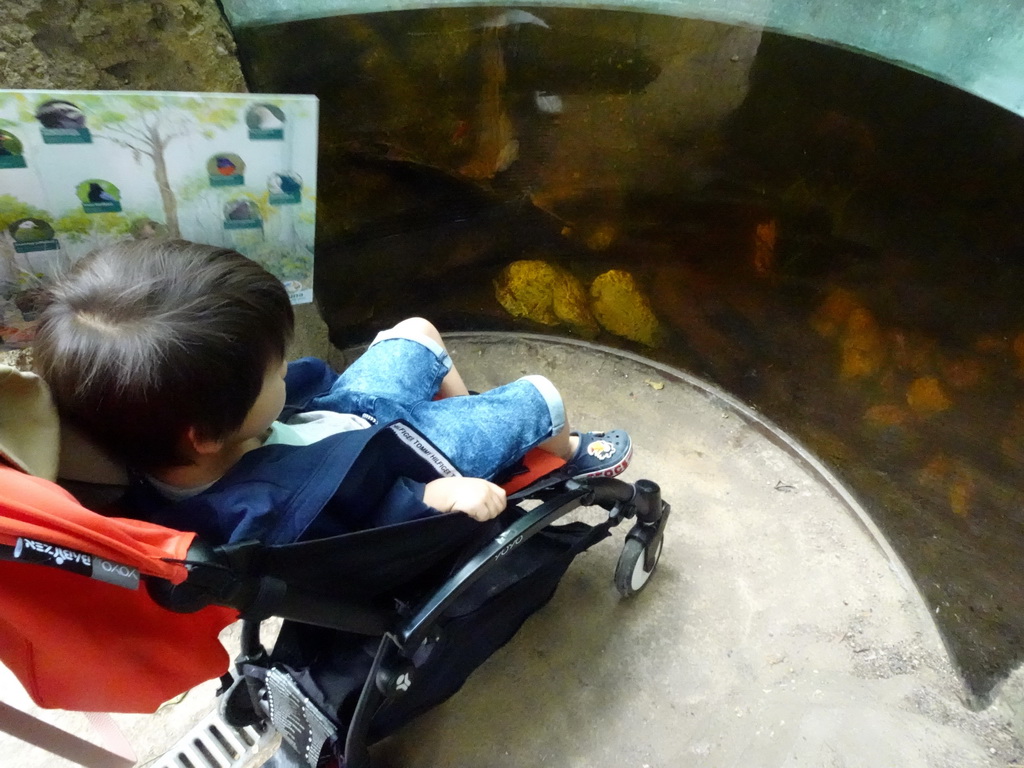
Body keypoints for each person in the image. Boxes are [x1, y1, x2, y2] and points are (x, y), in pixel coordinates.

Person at [33, 240, 632, 545]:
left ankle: (468, 422)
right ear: (208, 434)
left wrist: (281, 396)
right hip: (409, 470)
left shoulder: (144, 432)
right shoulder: (264, 510)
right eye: (274, 370)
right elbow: (359, 532)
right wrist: (435, 498)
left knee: (416, 332)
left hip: (341, 423)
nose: (286, 368)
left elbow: (290, 405)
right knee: (539, 393)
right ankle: (567, 452)